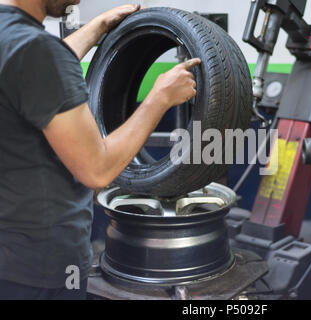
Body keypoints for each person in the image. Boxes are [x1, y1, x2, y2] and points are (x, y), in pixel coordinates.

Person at [0, 0, 201, 300]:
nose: (79, 0)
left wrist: (93, 31)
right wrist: (160, 98)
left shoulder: (11, 37)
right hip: (43, 267)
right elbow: (98, 169)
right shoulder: (36, 50)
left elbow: (30, 72)